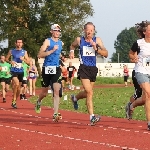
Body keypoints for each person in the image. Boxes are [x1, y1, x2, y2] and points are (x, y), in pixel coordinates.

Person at [69, 22, 108, 125]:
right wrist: (72, 52)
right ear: (84, 30)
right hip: (83, 68)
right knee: (89, 92)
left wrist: (96, 49)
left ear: (93, 31)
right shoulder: (79, 40)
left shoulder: (97, 40)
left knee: (87, 93)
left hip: (93, 69)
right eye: (87, 30)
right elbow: (72, 46)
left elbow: (106, 54)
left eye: (91, 30)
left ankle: (75, 98)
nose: (89, 32)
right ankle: (92, 117)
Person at [35, 24, 63, 122]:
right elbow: (40, 54)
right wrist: (51, 50)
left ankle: (55, 113)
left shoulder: (60, 43)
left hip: (56, 68)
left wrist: (62, 58)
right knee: (44, 92)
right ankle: (38, 101)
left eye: (59, 31)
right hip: (46, 68)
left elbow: (58, 54)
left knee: (56, 90)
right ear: (51, 31)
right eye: (55, 30)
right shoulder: (47, 41)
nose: (57, 32)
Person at [128, 21, 150, 130]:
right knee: (148, 93)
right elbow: (131, 53)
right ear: (145, 32)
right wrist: (134, 58)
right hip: (141, 71)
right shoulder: (139, 43)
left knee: (146, 97)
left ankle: (131, 106)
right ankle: (149, 122)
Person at [6, 38, 30, 108]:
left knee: (19, 89)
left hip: (21, 71)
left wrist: (24, 59)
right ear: (15, 43)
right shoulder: (11, 51)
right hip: (13, 70)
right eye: (18, 42)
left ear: (22, 44)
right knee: (16, 84)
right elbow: (6, 59)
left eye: (21, 42)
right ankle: (13, 100)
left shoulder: (24, 52)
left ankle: (14, 101)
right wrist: (11, 62)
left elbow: (28, 62)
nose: (19, 44)